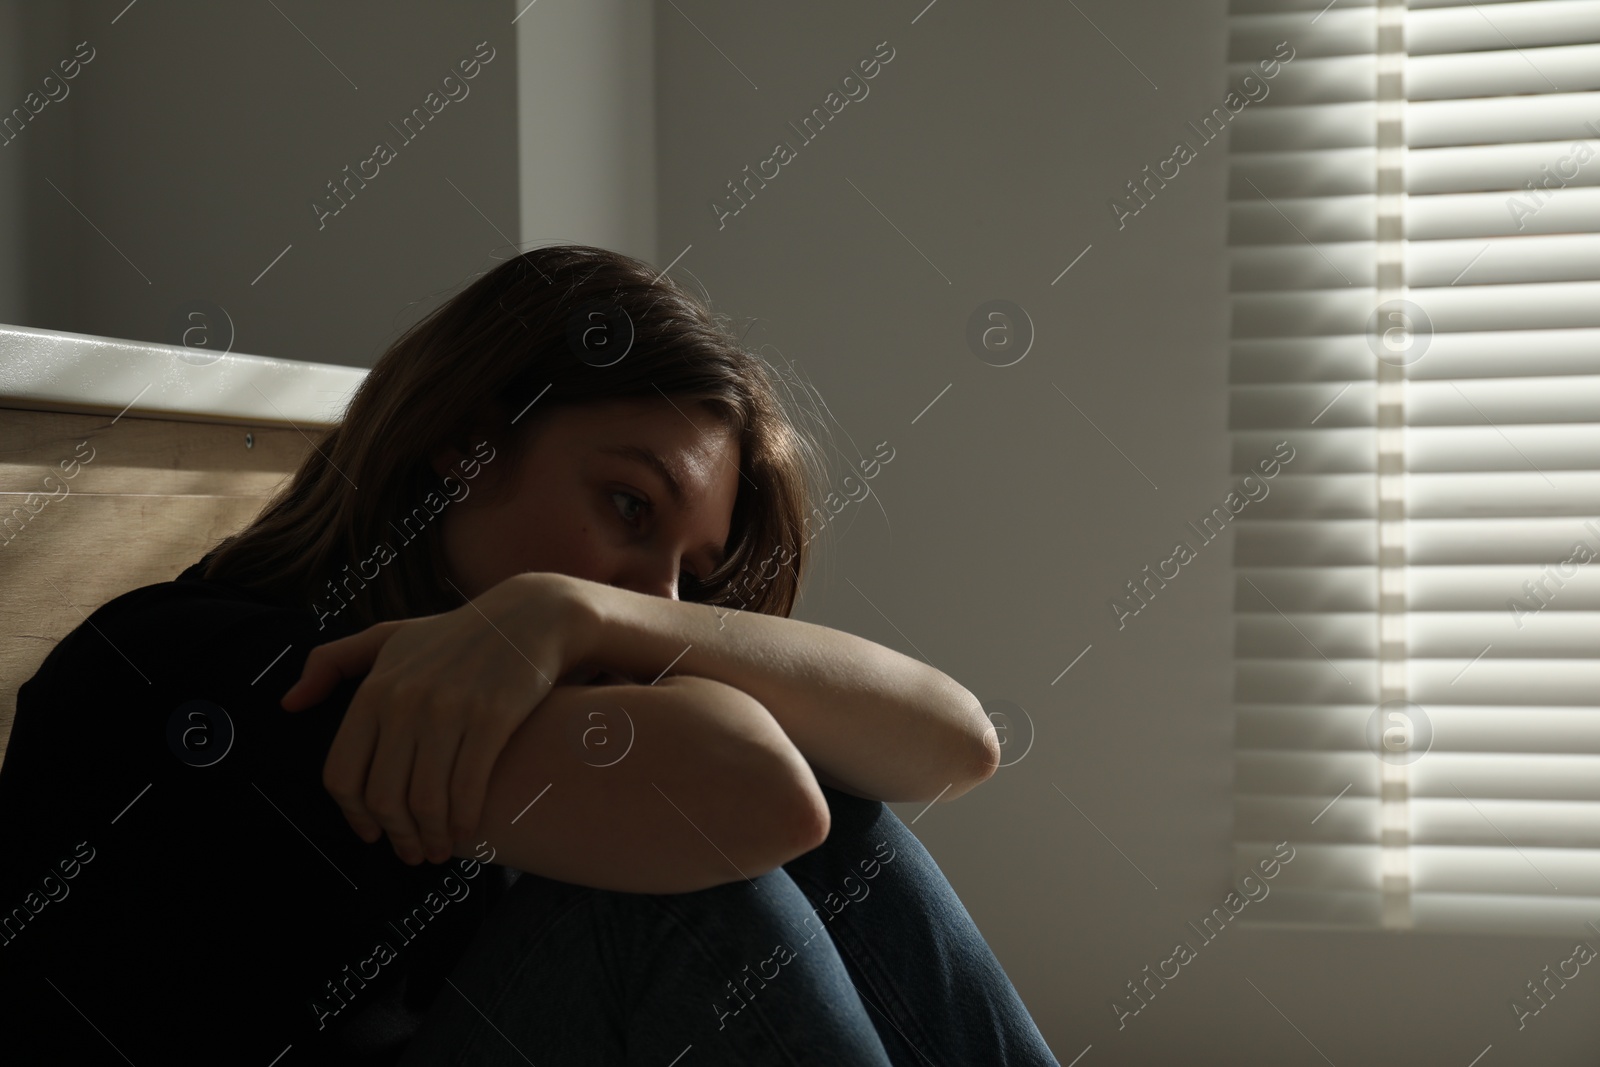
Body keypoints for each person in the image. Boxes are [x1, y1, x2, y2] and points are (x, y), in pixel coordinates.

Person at [0, 245, 1060, 1065]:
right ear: (466, 449)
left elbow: (955, 742)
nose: (658, 596)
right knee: (687, 887)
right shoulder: (221, 675)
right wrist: (583, 615)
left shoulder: (544, 665)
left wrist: (582, 611)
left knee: (846, 827)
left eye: (692, 574)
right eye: (626, 505)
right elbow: (754, 794)